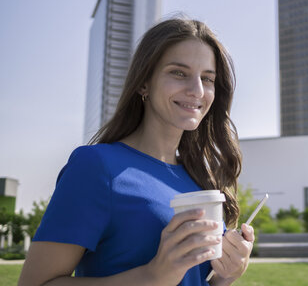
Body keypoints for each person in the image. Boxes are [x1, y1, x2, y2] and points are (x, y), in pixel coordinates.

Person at [18, 18, 254, 286]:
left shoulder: (200, 177)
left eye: (207, 78)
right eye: (179, 72)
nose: (197, 90)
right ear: (144, 83)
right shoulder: (96, 167)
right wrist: (153, 276)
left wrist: (226, 274)